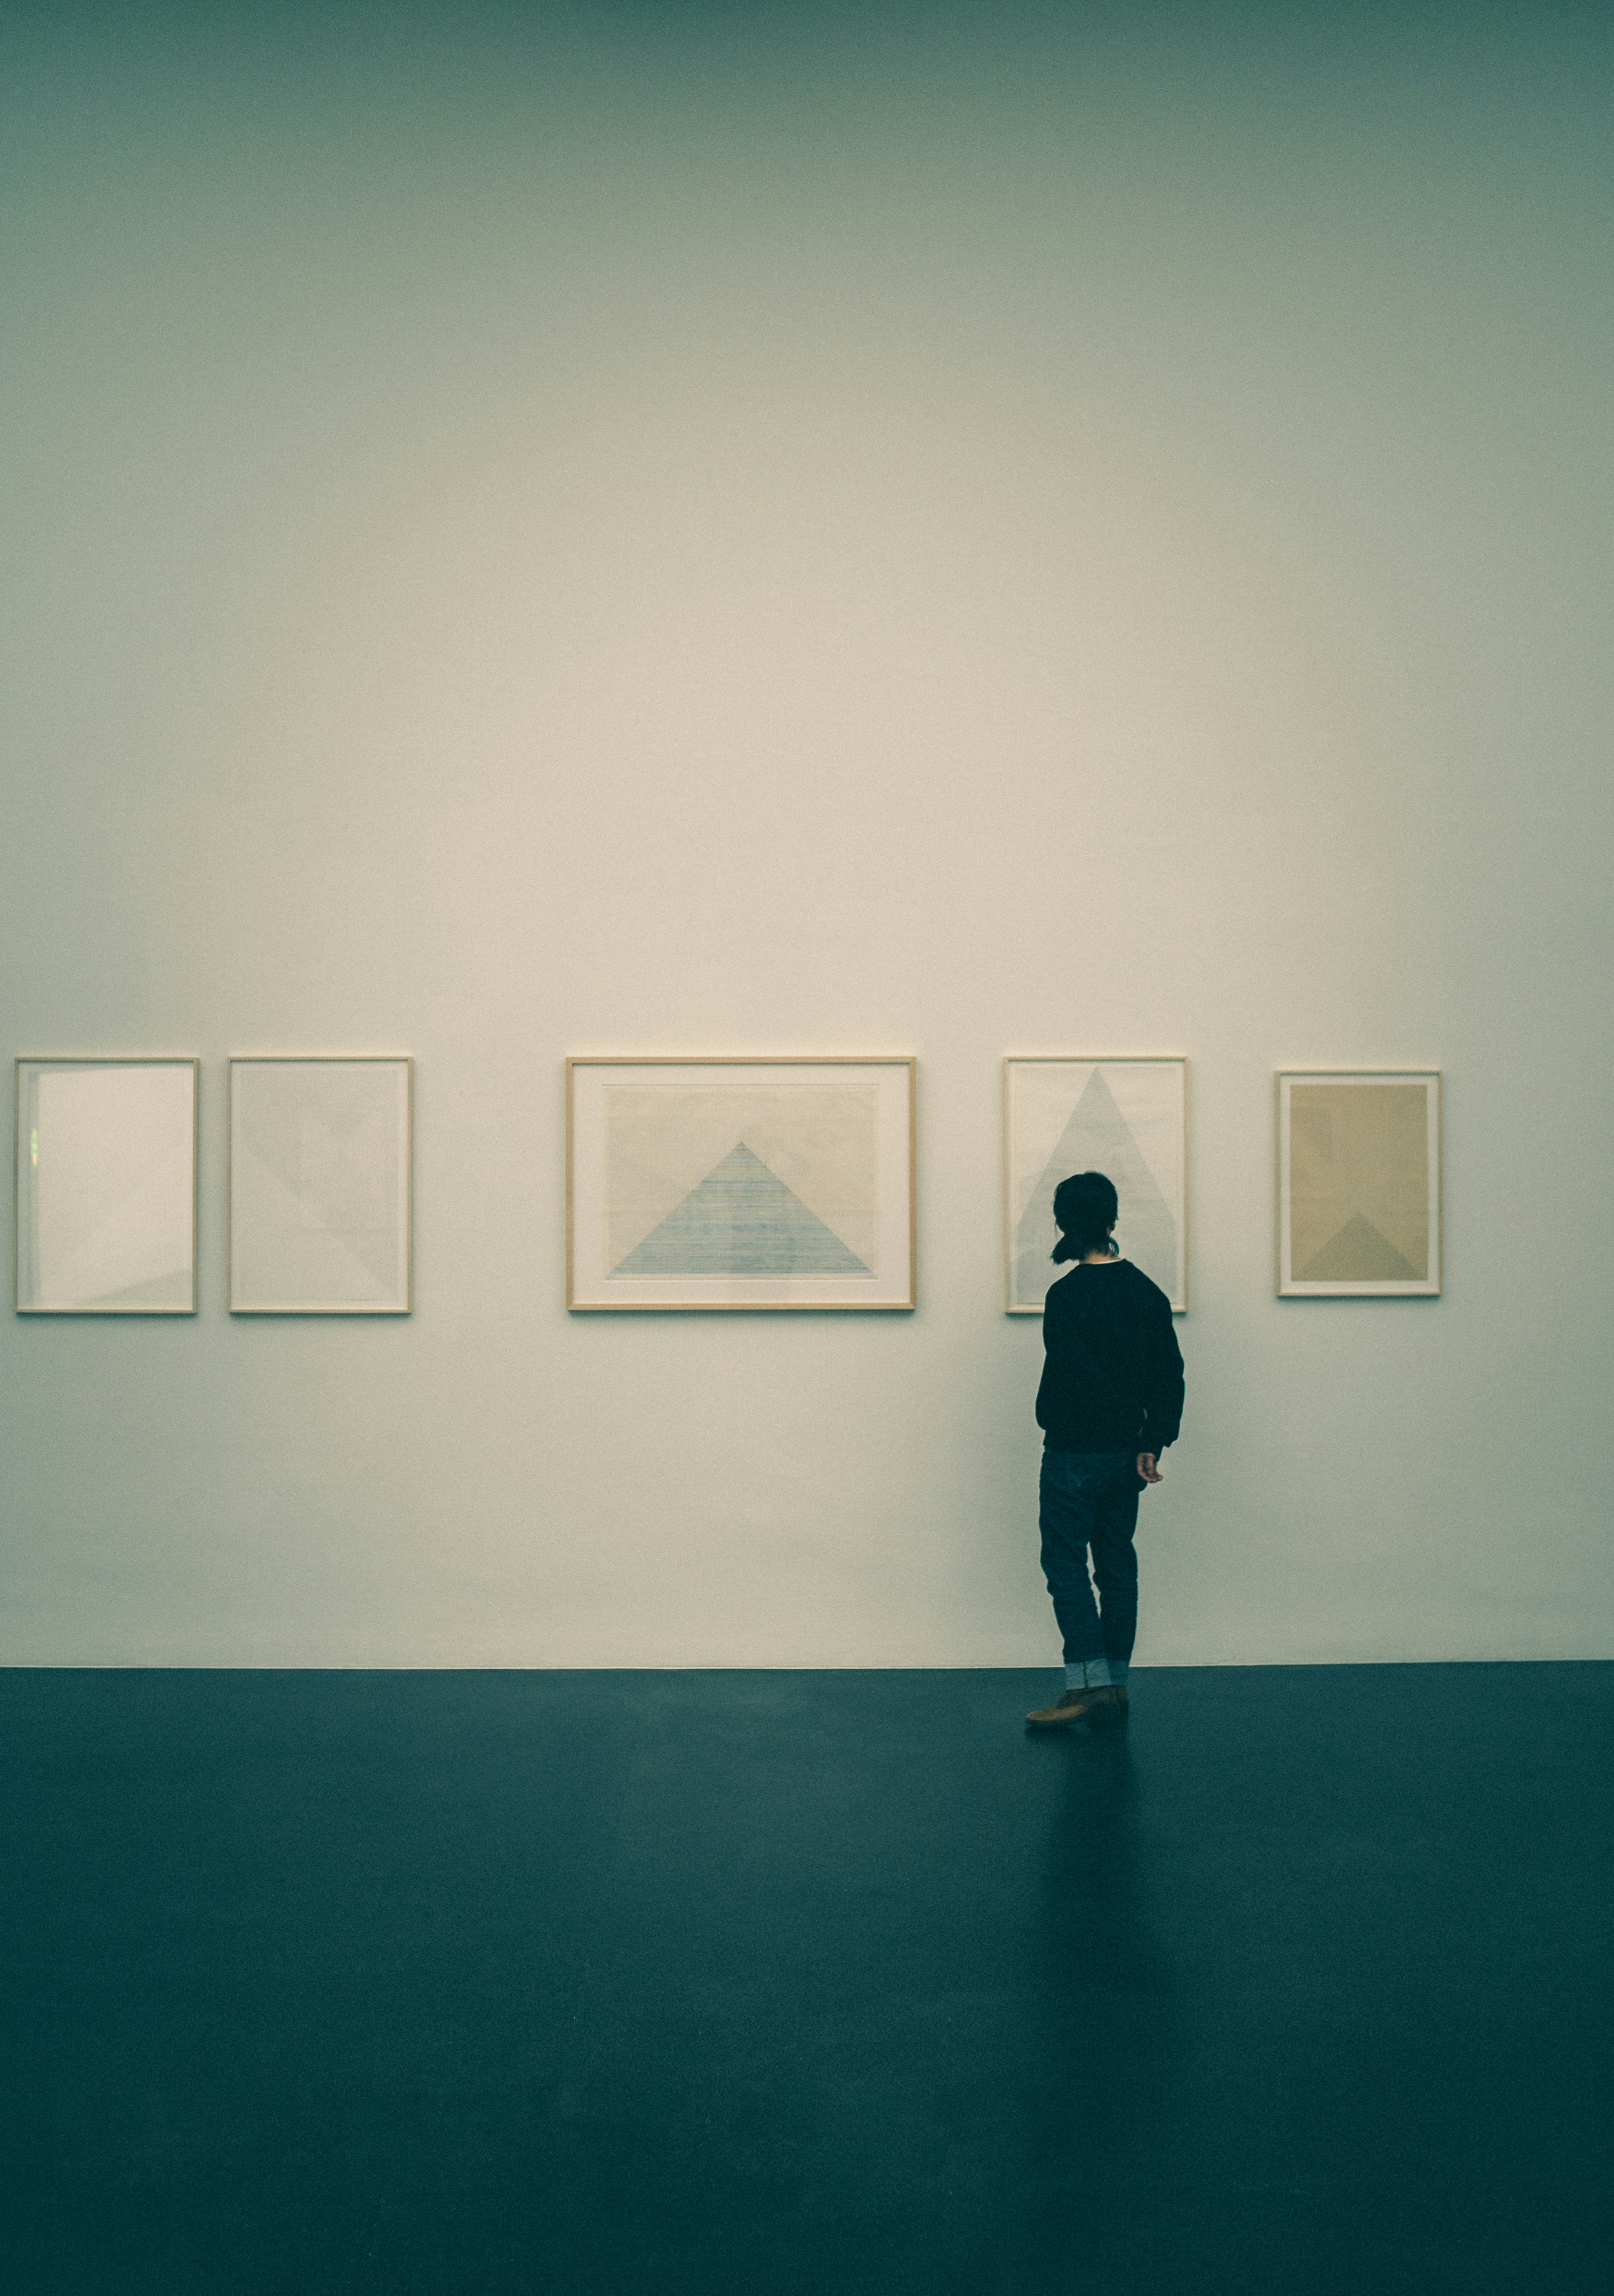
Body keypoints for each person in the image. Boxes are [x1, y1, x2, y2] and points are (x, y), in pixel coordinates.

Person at [1024, 1170, 1185, 1730]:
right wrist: (1152, 1441)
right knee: (1116, 1566)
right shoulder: (1146, 1292)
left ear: (1063, 1224)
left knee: (1065, 1565)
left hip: (1073, 1454)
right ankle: (1114, 1685)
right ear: (1113, 1220)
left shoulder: (1066, 1296)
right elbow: (1170, 1374)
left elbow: (1071, 1376)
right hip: (1127, 1458)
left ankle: (1086, 1687)